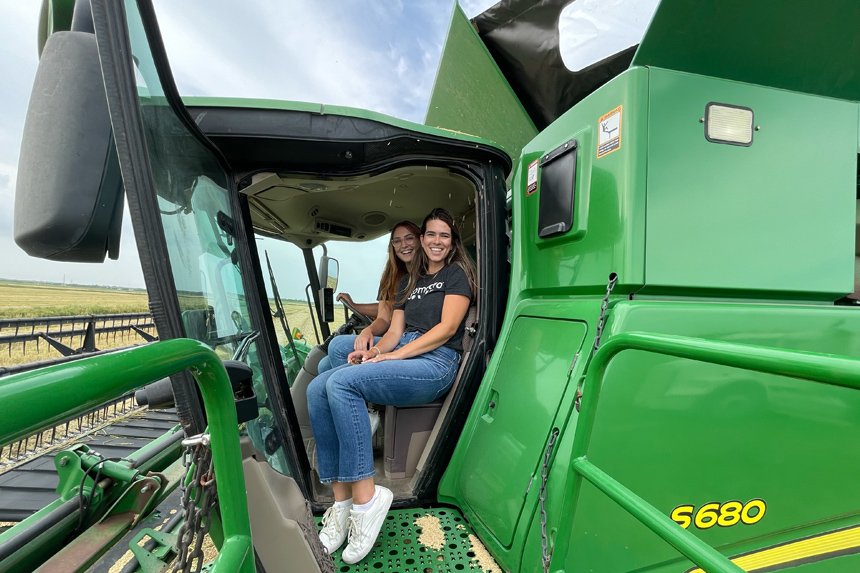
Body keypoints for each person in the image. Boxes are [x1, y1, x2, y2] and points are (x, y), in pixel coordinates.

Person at [306, 207, 476, 564]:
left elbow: (445, 331)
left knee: (341, 386)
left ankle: (367, 500)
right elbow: (394, 333)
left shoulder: (455, 275)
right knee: (318, 388)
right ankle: (342, 502)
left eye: (444, 235)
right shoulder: (406, 282)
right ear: (423, 238)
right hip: (408, 350)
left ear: (451, 241)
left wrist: (393, 357)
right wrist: (374, 352)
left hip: (435, 361)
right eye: (431, 234)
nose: (436, 241)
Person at [318, 220, 421, 372]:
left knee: (337, 346)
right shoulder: (391, 277)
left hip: (407, 339)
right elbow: (384, 316)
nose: (404, 245)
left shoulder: (427, 276)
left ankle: (354, 387)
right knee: (324, 365)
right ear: (392, 246)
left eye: (409, 238)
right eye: (397, 241)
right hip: (394, 337)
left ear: (421, 240)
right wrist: (368, 330)